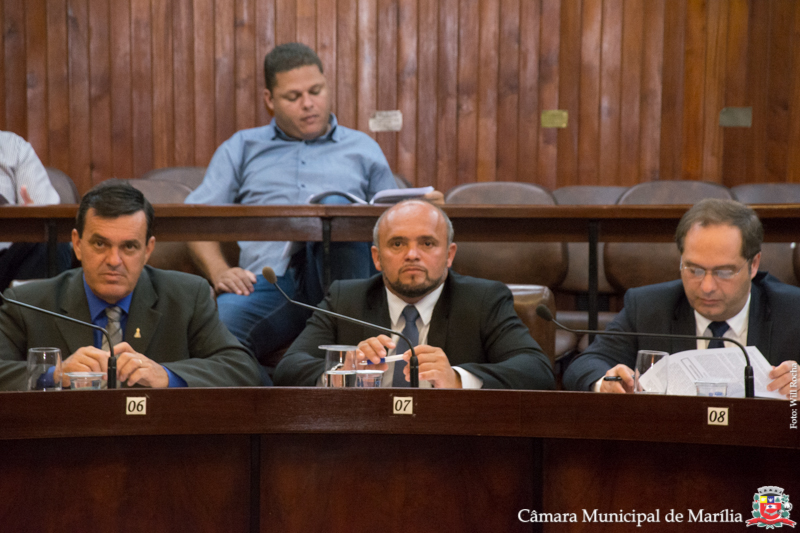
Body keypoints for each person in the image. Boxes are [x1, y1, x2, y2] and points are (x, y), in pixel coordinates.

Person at [185, 42, 441, 352]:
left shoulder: (362, 148)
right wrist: (219, 271)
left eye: (315, 91)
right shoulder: (241, 147)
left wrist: (426, 211)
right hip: (272, 281)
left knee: (335, 207)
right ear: (269, 100)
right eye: (293, 97)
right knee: (218, 337)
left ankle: (352, 333)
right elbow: (195, 218)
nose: (308, 104)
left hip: (349, 279)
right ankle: (284, 383)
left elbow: (396, 219)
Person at [0, 181, 262, 390]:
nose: (114, 261)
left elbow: (241, 369)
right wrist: (52, 375)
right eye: (100, 244)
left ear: (148, 250)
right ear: (77, 244)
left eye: (129, 247)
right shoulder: (27, 303)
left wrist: (167, 375)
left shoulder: (188, 296)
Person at [272, 199, 555, 390]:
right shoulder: (346, 299)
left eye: (427, 243)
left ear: (449, 255)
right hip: (363, 438)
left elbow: (537, 371)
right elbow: (288, 369)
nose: (412, 255)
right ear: (377, 257)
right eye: (397, 244)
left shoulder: (483, 299)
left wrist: (458, 379)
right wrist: (341, 371)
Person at [562, 198, 799, 398]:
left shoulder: (793, 310)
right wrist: (605, 382)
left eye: (724, 272)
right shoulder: (648, 306)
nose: (707, 287)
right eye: (694, 270)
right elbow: (586, 365)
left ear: (753, 264)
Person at [0, 130, 73, 290]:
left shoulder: (14, 147)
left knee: (50, 239)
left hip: (6, 261)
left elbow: (46, 215)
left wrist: (30, 216)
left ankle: (35, 306)